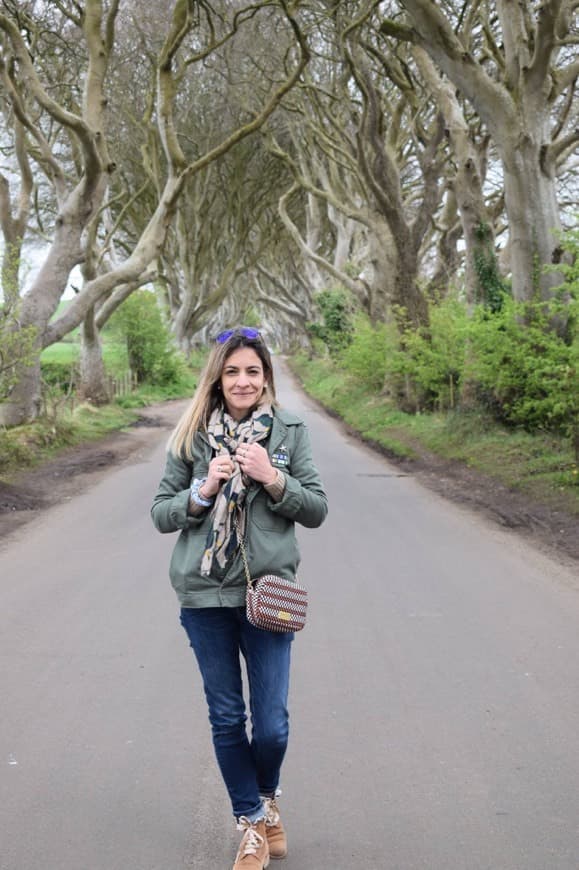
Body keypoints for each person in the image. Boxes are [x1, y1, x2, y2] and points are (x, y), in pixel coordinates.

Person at [151, 326, 328, 869]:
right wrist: (203, 490)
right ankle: (250, 821)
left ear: (266, 377)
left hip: (267, 594)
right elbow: (161, 513)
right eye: (232, 371)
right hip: (203, 596)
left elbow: (316, 508)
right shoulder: (191, 437)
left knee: (270, 722)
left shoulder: (290, 431)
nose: (243, 380)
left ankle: (268, 795)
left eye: (253, 371)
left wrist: (273, 478)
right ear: (218, 378)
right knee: (228, 717)